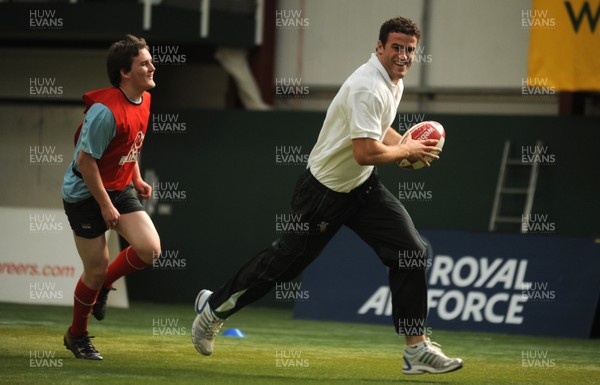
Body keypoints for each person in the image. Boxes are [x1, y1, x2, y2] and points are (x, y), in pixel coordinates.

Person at [192, 17, 463, 375]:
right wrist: (405, 151)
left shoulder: (391, 82)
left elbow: (379, 129)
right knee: (282, 267)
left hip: (362, 187)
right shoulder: (368, 85)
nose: (403, 55)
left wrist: (403, 145)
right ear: (379, 47)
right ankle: (214, 309)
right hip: (323, 194)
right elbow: (365, 151)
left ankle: (416, 350)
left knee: (411, 251)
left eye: (410, 49)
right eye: (396, 47)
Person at [61, 34, 160, 360]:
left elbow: (127, 146)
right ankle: (77, 335)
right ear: (124, 73)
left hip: (118, 187)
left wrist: (135, 177)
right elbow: (85, 162)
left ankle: (104, 288)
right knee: (96, 268)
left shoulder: (144, 99)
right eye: (144, 63)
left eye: (150, 61)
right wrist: (104, 205)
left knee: (149, 249)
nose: (151, 67)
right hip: (85, 194)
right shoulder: (105, 112)